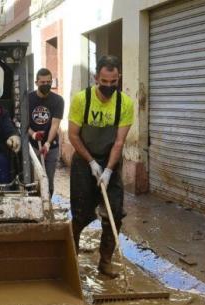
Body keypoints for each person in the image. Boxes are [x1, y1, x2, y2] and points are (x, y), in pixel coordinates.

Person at [67, 55, 134, 278]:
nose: (108, 87)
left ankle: (105, 263)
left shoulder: (125, 103)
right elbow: (74, 136)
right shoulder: (81, 100)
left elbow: (119, 142)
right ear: (96, 78)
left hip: (110, 161)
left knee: (114, 214)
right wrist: (91, 162)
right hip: (84, 160)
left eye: (112, 82)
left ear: (118, 78)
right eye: (103, 82)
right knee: (81, 214)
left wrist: (107, 170)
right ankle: (70, 259)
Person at [27, 68, 64, 198]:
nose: (46, 85)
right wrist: (33, 134)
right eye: (43, 82)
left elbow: (55, 124)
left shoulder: (58, 100)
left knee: (48, 181)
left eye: (49, 82)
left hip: (51, 146)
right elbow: (22, 123)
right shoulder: (28, 99)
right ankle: (34, 206)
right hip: (32, 146)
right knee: (32, 181)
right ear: (36, 82)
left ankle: (47, 207)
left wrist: (48, 143)